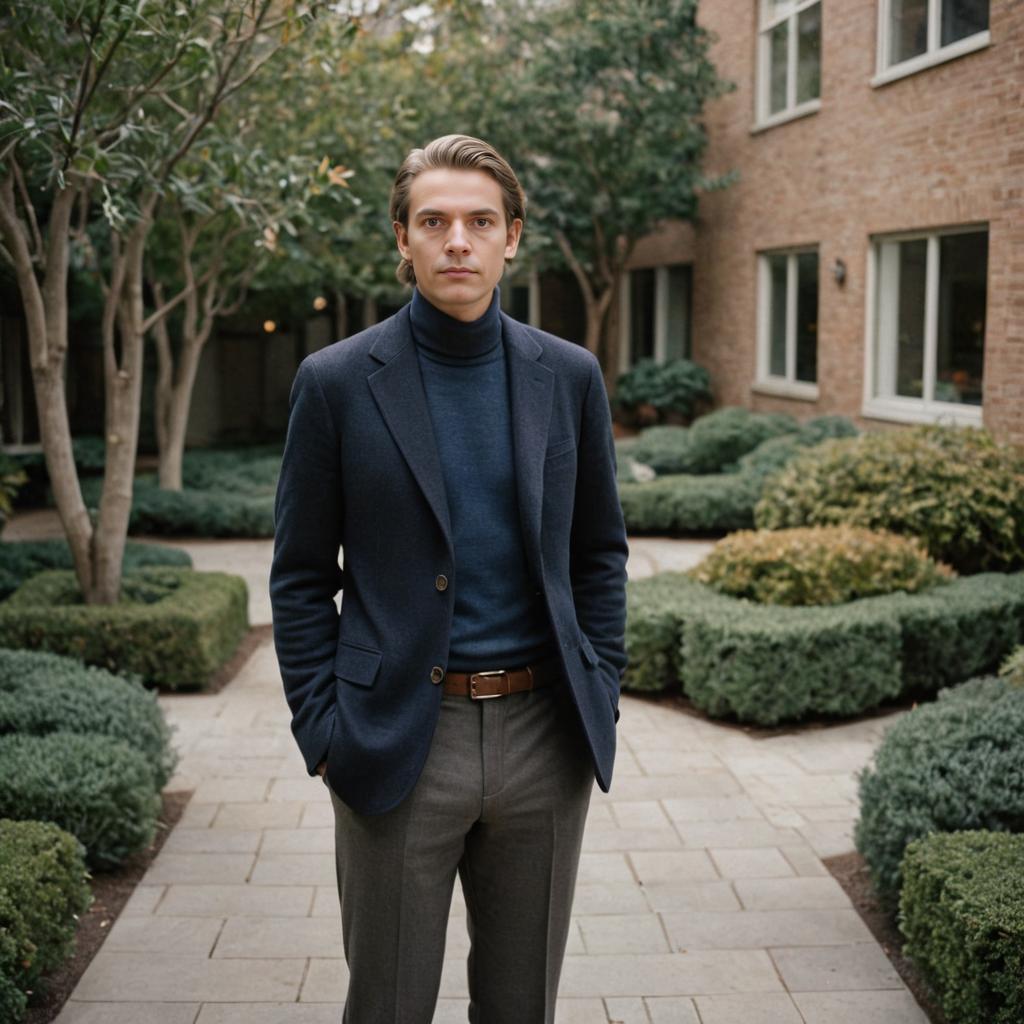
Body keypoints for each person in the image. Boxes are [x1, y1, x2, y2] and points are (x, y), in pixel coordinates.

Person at [269, 133, 628, 1024]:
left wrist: (602, 688)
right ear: (402, 238)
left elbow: (598, 553)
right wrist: (324, 728)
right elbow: (300, 574)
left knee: (520, 1008)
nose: (456, 240)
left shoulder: (570, 376)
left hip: (546, 738)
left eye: (479, 221)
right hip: (395, 740)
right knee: (388, 1004)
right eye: (434, 221)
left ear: (513, 238)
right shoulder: (338, 382)